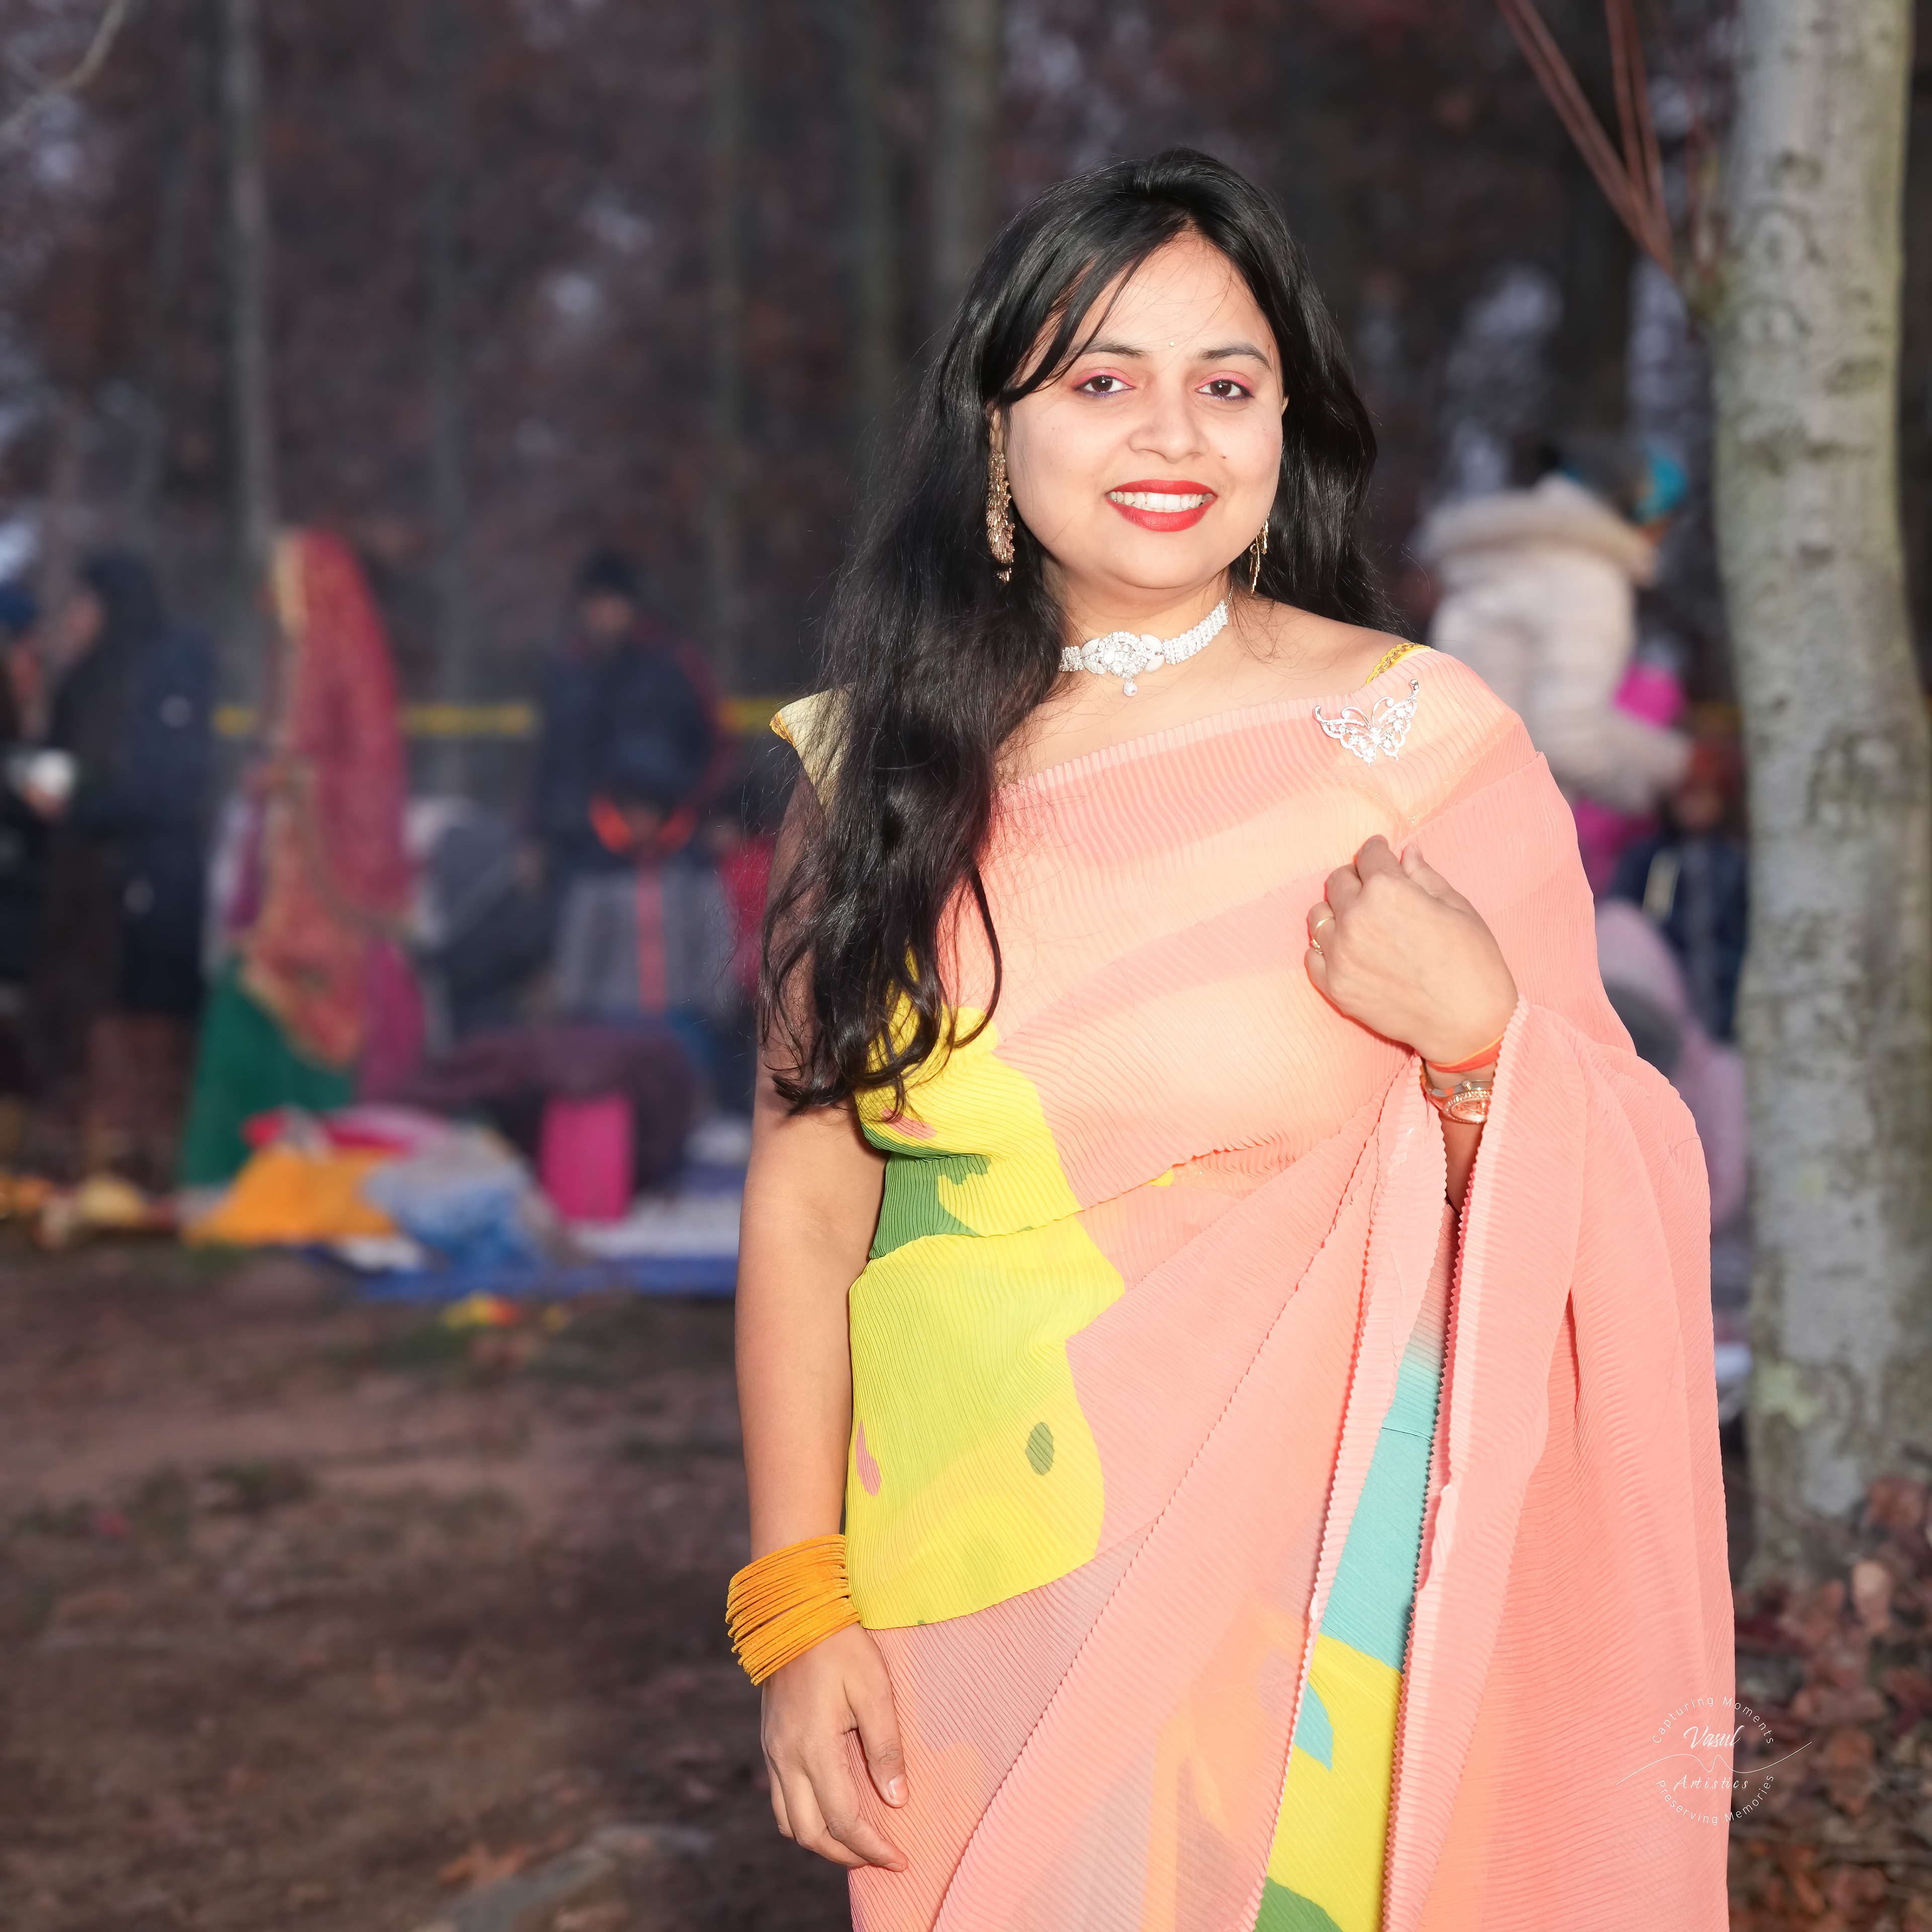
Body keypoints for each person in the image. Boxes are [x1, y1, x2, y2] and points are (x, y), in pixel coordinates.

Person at [733, 151, 1730, 1931]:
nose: (1168, 433)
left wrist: (1482, 1037)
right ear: (994, 435)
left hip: (1318, 1593)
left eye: (1226, 382)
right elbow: (808, 1206)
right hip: (977, 1572)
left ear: (1285, 426)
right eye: (1099, 379)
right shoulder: (874, 773)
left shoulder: (1417, 744)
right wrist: (797, 1611)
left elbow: (1625, 1174)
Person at [179, 531, 417, 1186]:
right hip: (277, 893)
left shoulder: (357, 681)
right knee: (244, 1018)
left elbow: (369, 789)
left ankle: (307, 1178)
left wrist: (298, 781)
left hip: (327, 902)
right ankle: (232, 1181)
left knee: (306, 1028)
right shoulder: (289, 666)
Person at [1420, 440, 1693, 886]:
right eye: (1661, 524)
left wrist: (1674, 763)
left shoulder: (1502, 564)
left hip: (1442, 808)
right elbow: (1567, 738)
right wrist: (1652, 797)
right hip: (1509, 832)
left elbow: (1537, 705)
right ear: (1637, 510)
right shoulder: (1588, 578)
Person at [30, 552, 213, 1180]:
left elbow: (166, 787)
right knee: (100, 1026)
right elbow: (61, 763)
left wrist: (87, 805)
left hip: (154, 885)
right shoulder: (83, 683)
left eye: (82, 605)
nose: (73, 621)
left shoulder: (169, 670)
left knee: (152, 1027)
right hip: (89, 900)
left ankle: (155, 1159)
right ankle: (108, 1161)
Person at [531, 548, 722, 893]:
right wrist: (533, 835)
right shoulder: (566, 673)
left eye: (612, 602)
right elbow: (546, 763)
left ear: (633, 605)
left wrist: (701, 812)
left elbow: (717, 744)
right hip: (577, 850)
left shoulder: (674, 665)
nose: (603, 614)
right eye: (595, 603)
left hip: (666, 846)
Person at [1607, 736, 1749, 1043]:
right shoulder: (1648, 858)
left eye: (1705, 795)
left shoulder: (1735, 862)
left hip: (1725, 1002)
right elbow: (1626, 920)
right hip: (1662, 995)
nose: (1694, 805)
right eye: (1686, 794)